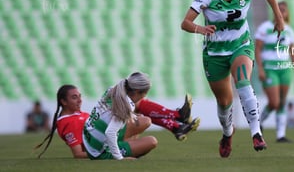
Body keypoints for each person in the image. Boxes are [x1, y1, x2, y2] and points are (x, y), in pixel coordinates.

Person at [181, 0, 284, 157]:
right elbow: (185, 23)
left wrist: (278, 17)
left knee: (243, 81)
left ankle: (256, 133)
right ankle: (227, 134)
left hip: (241, 45)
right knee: (224, 101)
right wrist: (201, 29)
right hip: (215, 53)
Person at [35, 76, 199, 159]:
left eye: (80, 96)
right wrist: (118, 157)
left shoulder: (78, 114)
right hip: (101, 149)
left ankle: (176, 123)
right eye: (74, 97)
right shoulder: (68, 122)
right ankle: (176, 121)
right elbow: (78, 153)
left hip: (105, 138)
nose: (80, 100)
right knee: (148, 131)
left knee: (140, 114)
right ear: (63, 101)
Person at [255, 1, 294, 143]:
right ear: (274, 11)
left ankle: (280, 135)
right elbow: (257, 48)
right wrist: (260, 69)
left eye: (284, 10)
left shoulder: (289, 30)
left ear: (287, 13)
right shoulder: (265, 28)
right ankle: (259, 122)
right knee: (274, 102)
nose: (282, 12)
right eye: (279, 9)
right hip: (270, 68)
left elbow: (293, 53)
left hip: (285, 69)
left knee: (282, 102)